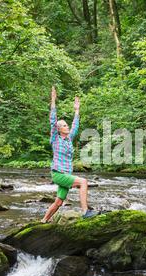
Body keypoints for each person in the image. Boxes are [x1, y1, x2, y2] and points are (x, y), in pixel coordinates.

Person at [41, 86, 97, 223]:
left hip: (66, 174)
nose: (67, 127)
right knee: (83, 182)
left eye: (67, 125)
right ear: (59, 129)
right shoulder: (55, 138)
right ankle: (85, 212)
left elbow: (75, 126)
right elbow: (53, 121)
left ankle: (43, 221)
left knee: (59, 202)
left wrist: (77, 110)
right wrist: (53, 101)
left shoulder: (69, 139)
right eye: (64, 126)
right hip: (59, 174)